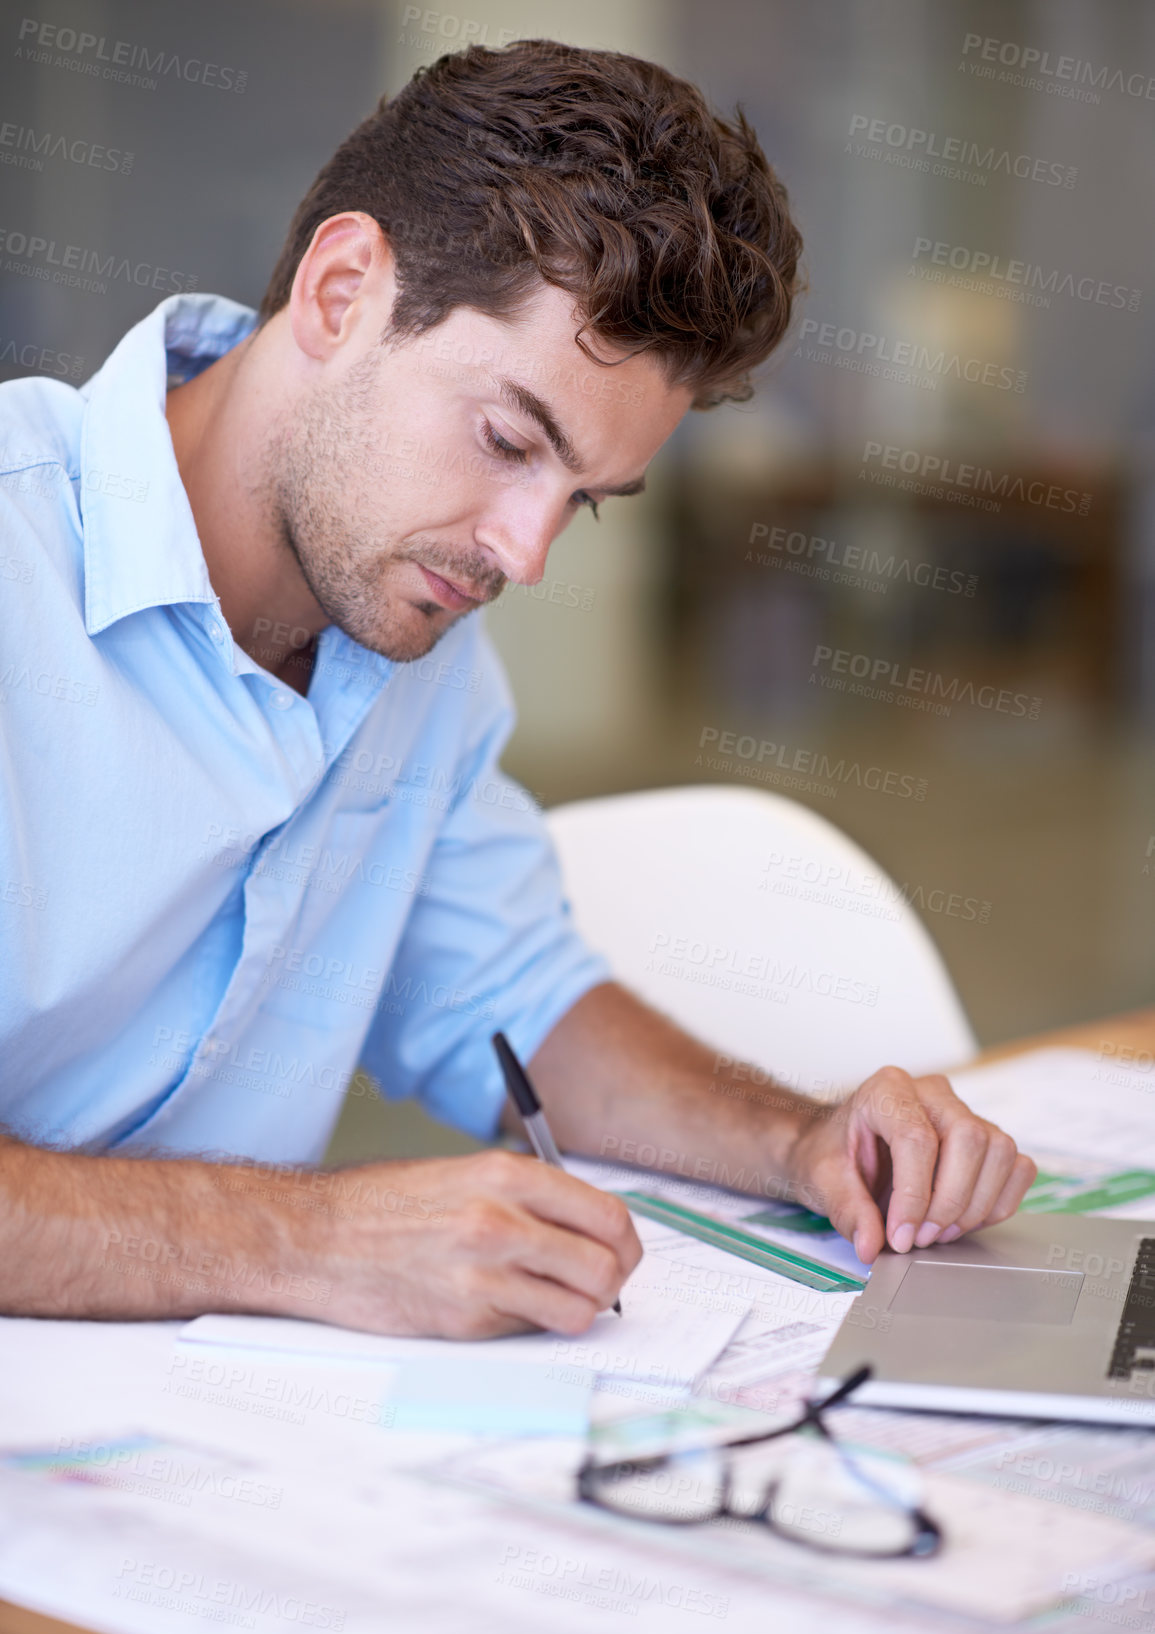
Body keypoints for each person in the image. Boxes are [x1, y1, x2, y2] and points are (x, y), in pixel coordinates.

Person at [0, 39, 1034, 1341]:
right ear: (340, 293)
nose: (524, 554)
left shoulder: (411, 637)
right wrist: (312, 1239)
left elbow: (514, 1002)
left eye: (583, 500)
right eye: (505, 441)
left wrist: (804, 1140)